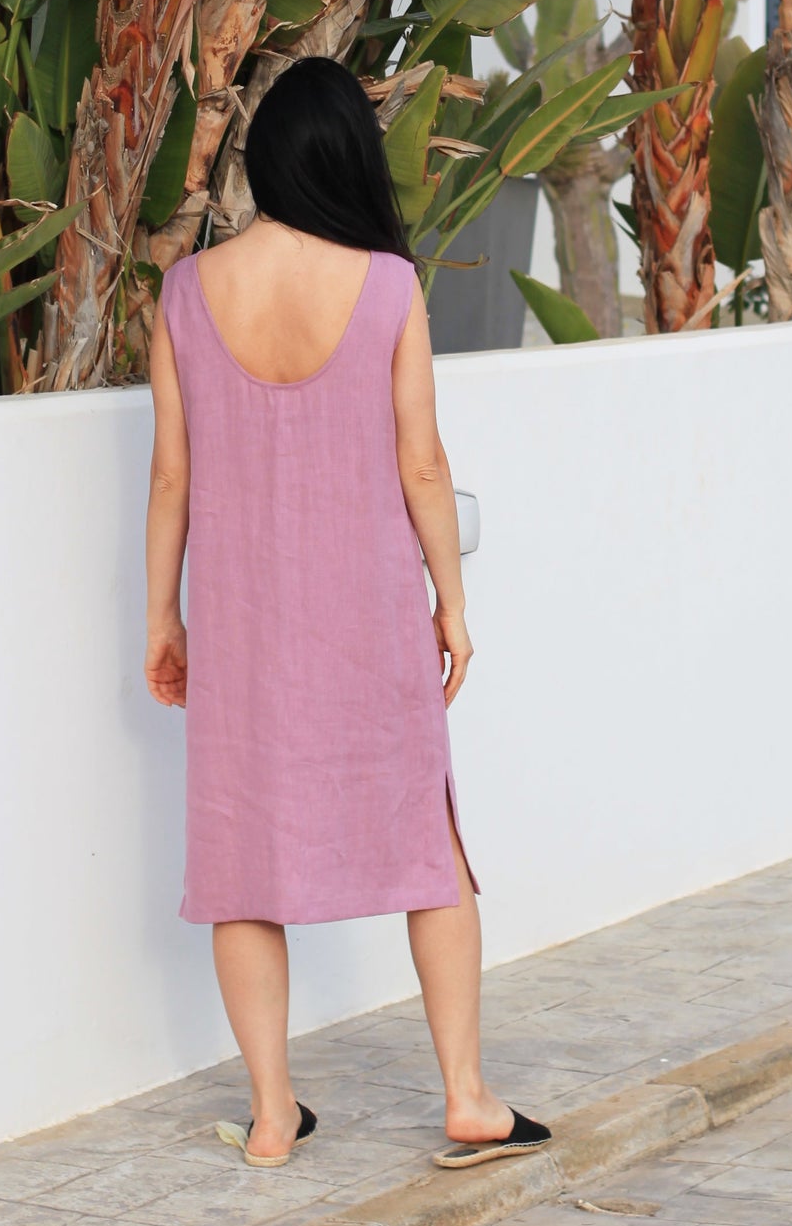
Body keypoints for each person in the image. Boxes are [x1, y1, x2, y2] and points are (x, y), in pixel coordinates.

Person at [143, 57, 549, 1170]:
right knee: (432, 851)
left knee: (240, 862)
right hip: (367, 621)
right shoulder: (383, 284)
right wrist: (450, 603)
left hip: (238, 627)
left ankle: (272, 1116)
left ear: (266, 158)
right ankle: (466, 1096)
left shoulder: (187, 291)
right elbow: (421, 462)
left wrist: (161, 619)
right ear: (347, 160)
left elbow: (170, 475)